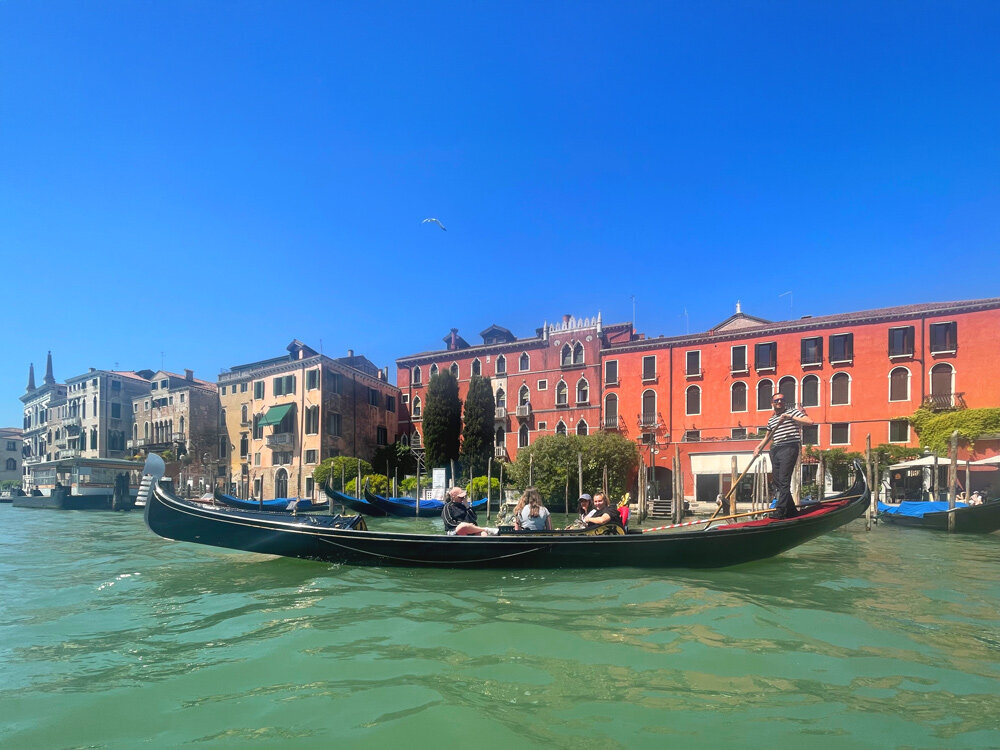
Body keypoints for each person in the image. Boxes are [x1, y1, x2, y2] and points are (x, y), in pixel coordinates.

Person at [753, 393, 813, 520]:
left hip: (789, 447)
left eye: (781, 400)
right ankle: (791, 511)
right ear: (772, 403)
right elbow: (767, 437)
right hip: (776, 449)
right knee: (777, 482)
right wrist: (758, 447)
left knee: (784, 480)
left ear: (784, 402)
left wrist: (789, 416)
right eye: (776, 400)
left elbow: (810, 421)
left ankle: (780, 511)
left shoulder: (792, 412)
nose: (779, 402)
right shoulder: (771, 419)